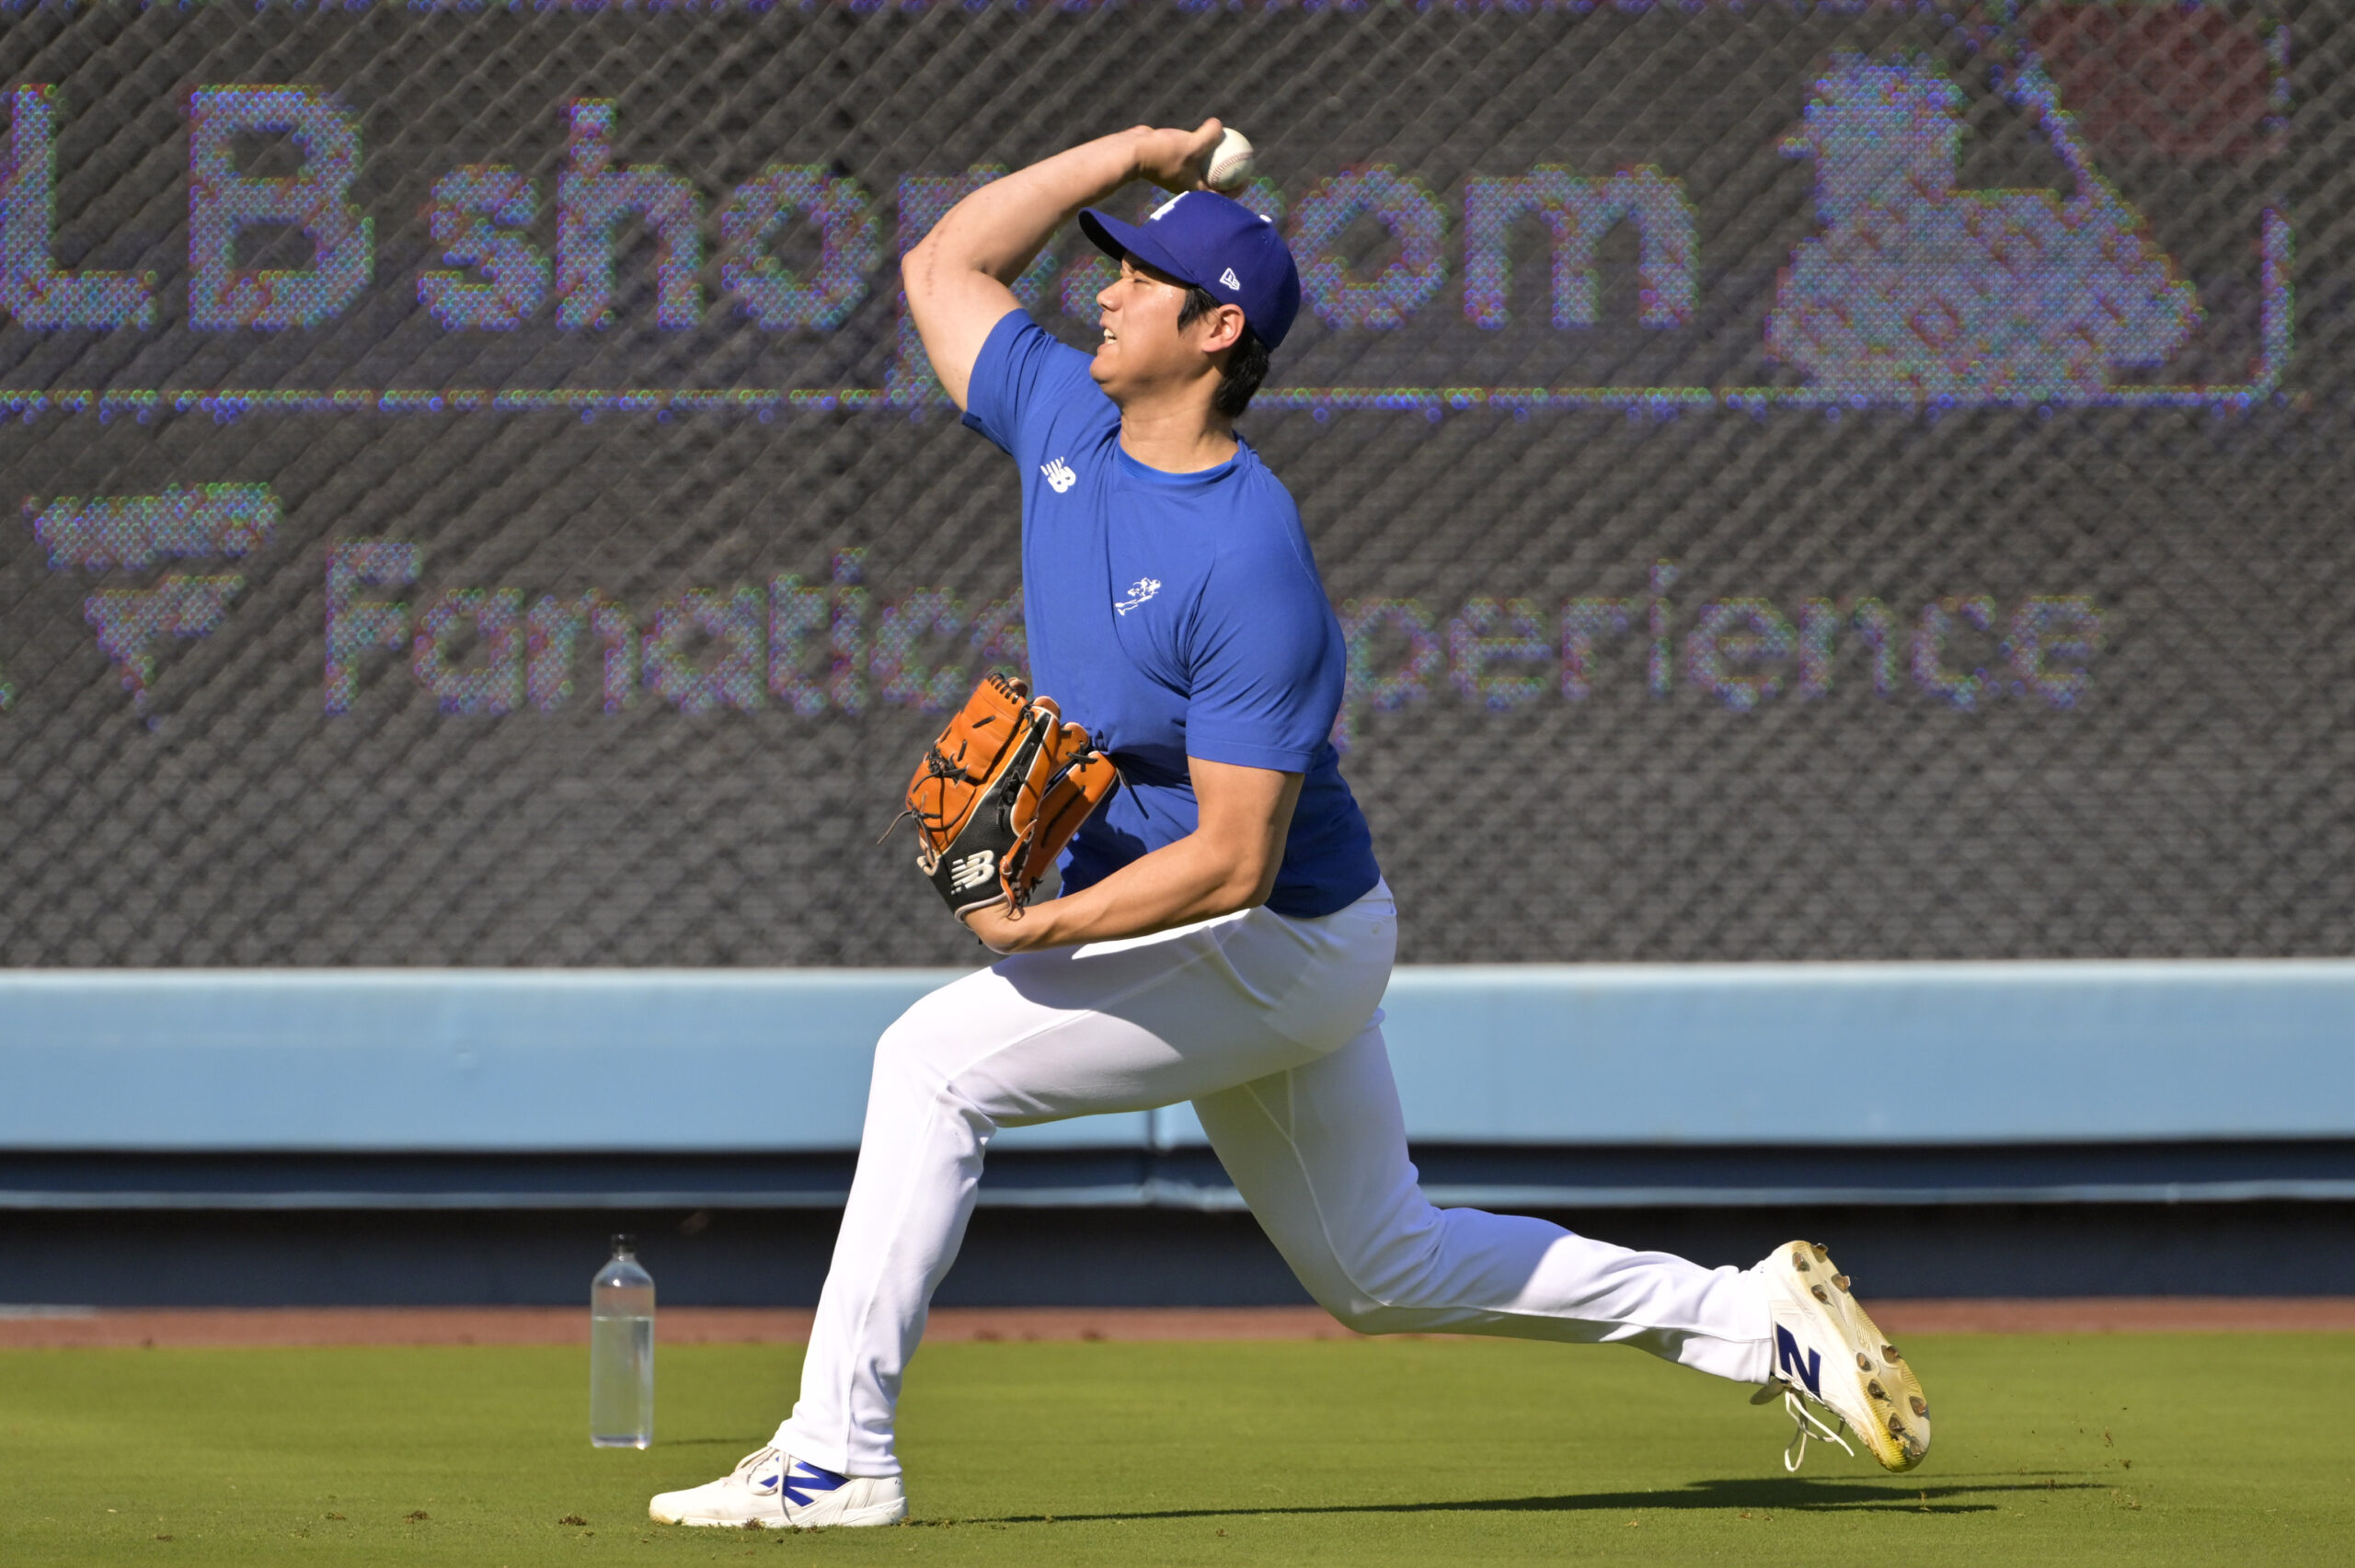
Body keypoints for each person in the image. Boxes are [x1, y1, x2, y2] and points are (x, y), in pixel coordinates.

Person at [649, 120, 1928, 1530]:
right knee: (1379, 1267)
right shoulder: (1068, 419)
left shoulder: (1249, 557)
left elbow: (1233, 857)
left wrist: (1040, 926)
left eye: (1142, 277)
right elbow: (946, 258)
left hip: (1273, 933)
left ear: (1217, 331)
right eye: (1116, 267)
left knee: (931, 1064)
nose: (1109, 290)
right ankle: (1755, 1319)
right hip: (1250, 936)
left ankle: (838, 1453)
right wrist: (1132, 154)